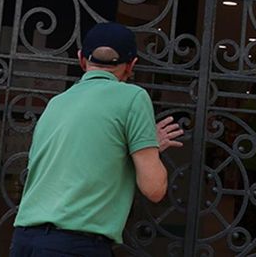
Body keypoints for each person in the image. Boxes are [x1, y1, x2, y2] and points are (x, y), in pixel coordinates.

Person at [10, 22, 184, 256]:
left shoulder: (56, 103)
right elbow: (154, 189)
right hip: (75, 244)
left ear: (82, 59)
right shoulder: (133, 97)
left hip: (25, 240)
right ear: (131, 65)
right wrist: (148, 148)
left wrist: (136, 146)